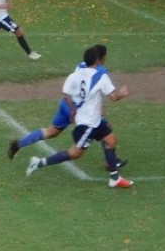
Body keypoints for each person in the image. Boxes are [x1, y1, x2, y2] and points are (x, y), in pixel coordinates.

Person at [25, 45, 133, 189]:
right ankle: (38, 162)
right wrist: (122, 93)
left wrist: (73, 109)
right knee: (75, 153)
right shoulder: (101, 76)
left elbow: (66, 95)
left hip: (93, 120)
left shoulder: (74, 75)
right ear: (99, 60)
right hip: (88, 124)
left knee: (111, 139)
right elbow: (113, 97)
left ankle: (115, 178)